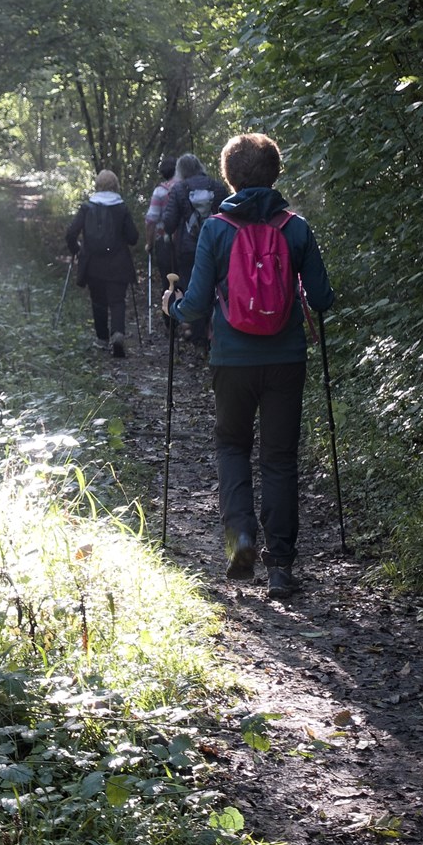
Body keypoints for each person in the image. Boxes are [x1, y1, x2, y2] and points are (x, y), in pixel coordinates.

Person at [162, 132, 333, 595]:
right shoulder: (295, 227)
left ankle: (239, 539)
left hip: (231, 359)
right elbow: (321, 298)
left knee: (232, 446)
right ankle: (281, 568)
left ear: (229, 177)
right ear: (275, 173)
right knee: (279, 459)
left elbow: (195, 305)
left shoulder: (217, 229)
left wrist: (172, 308)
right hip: (285, 359)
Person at [66, 170, 139, 358]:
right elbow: (133, 238)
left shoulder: (87, 207)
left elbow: (71, 233)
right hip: (118, 262)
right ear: (116, 185)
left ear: (97, 185)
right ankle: (118, 334)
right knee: (117, 301)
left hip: (93, 263)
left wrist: (77, 251)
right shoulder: (121, 207)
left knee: (98, 300)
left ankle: (101, 338)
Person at [160, 152, 227, 348]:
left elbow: (169, 222)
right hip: (216, 247)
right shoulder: (217, 186)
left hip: (189, 250)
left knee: (193, 289)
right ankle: (215, 334)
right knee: (219, 288)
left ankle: (199, 339)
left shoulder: (179, 188)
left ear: (180, 170)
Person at [143, 152, 178, 330]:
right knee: (186, 280)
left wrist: (149, 243)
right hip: (186, 243)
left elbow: (151, 220)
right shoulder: (185, 187)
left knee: (168, 283)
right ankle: (190, 324)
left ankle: (170, 323)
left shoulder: (160, 191)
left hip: (164, 243)